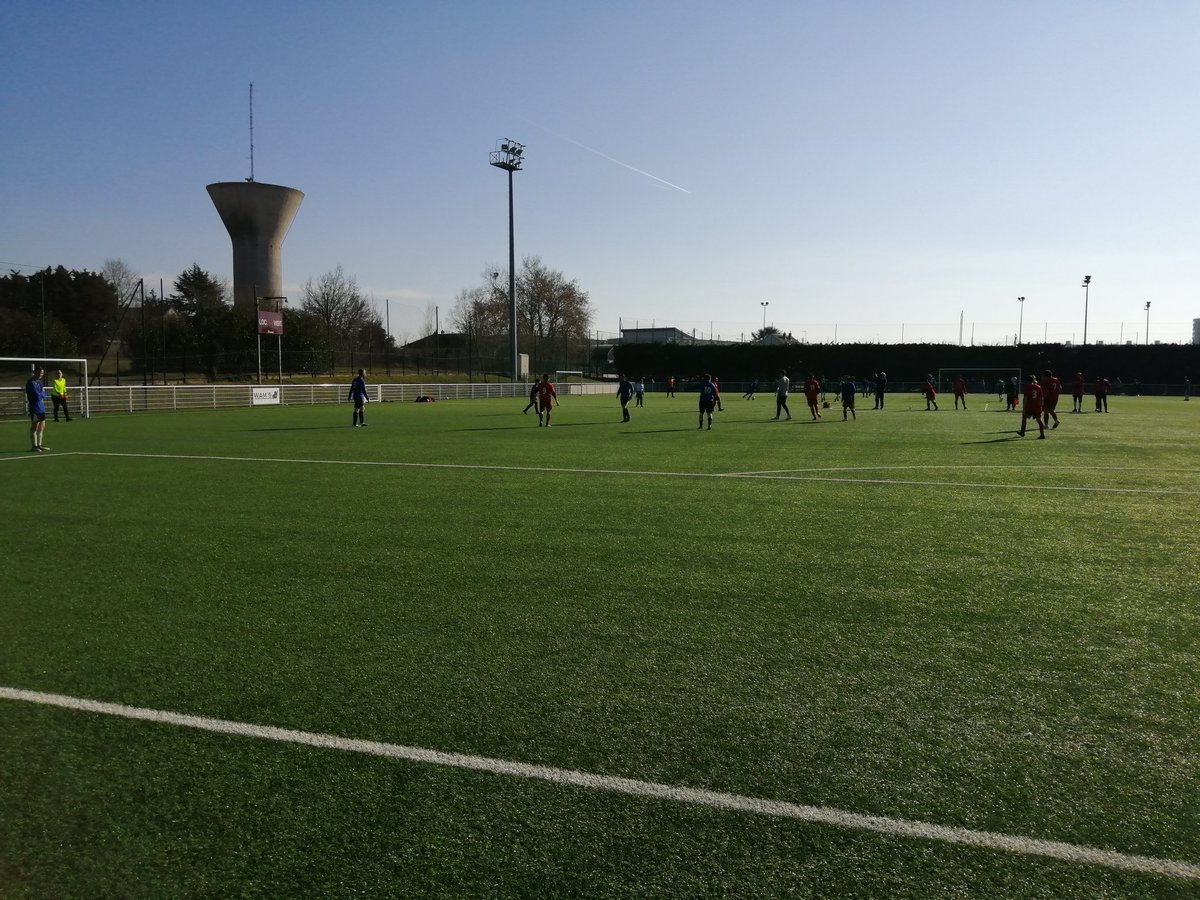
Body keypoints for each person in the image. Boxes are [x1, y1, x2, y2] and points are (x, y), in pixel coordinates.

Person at [25, 366, 49, 452]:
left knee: (42, 426)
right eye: (39, 373)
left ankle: (39, 445)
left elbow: (42, 394)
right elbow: (37, 396)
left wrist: (43, 394)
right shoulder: (30, 383)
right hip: (35, 408)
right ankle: (34, 446)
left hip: (41, 407)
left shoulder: (39, 382)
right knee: (35, 426)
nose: (40, 375)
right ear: (34, 372)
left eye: (42, 373)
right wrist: (44, 394)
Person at [1018, 374, 1046, 439]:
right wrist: (1041, 406)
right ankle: (1042, 434)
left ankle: (1022, 432)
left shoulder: (1028, 387)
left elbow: (1025, 399)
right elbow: (1041, 398)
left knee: (1024, 418)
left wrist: (1024, 408)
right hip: (1037, 406)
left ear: (1027, 381)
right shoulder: (1038, 387)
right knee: (1039, 420)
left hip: (1030, 406)